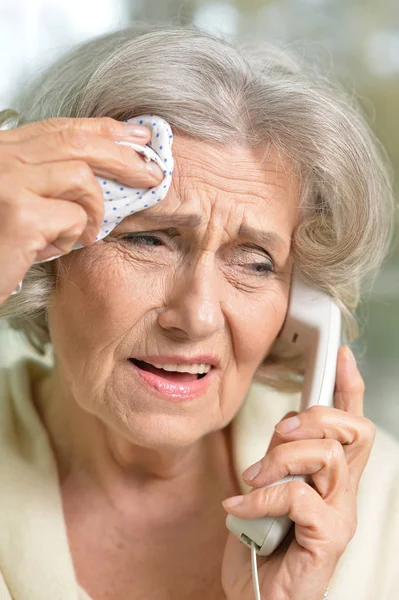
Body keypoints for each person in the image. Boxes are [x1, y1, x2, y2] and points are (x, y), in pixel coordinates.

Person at [0, 24, 398, 600]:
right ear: (45, 252)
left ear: (301, 305)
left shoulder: (382, 506)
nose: (198, 316)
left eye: (256, 263)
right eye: (150, 240)